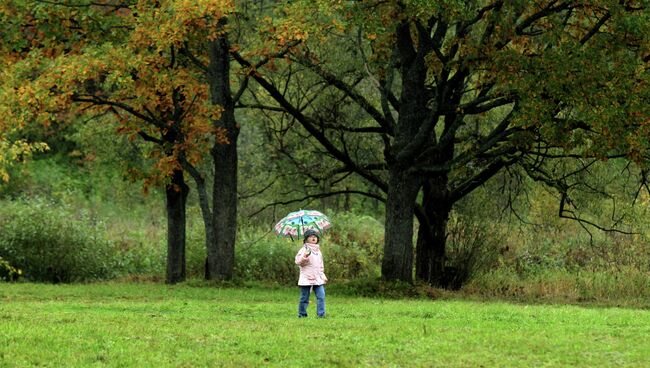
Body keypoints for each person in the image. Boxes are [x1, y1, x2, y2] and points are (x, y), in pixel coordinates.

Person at [295, 229, 328, 318]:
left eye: (315, 236)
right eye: (310, 236)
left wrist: (322, 275)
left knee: (321, 296)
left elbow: (320, 265)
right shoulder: (303, 250)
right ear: (306, 239)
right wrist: (304, 257)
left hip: (317, 277)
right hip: (306, 277)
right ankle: (302, 314)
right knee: (304, 298)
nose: (313, 238)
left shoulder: (318, 251)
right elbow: (298, 262)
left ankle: (321, 315)